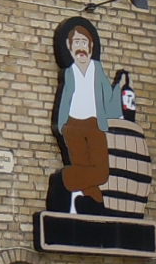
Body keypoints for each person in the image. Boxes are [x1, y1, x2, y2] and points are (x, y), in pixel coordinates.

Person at [48, 16, 118, 215]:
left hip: (95, 125)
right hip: (73, 125)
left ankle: (64, 180)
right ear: (70, 48)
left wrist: (118, 89)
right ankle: (92, 205)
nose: (81, 47)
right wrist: (62, 126)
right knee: (82, 166)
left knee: (102, 173)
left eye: (84, 42)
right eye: (76, 43)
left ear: (91, 46)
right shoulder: (69, 72)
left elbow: (109, 101)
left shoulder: (98, 71)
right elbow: (65, 98)